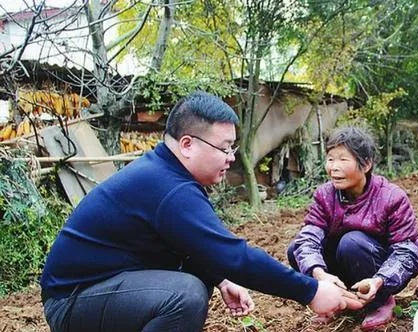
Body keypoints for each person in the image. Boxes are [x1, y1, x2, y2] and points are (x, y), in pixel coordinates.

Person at [40, 92, 361, 332]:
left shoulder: (165, 175)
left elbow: (194, 247)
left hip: (98, 290)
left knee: (194, 282)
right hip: (72, 302)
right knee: (185, 295)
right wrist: (311, 291)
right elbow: (235, 256)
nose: (230, 158)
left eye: (232, 148)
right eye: (224, 148)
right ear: (188, 145)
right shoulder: (169, 188)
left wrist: (219, 278)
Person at [287, 126, 418, 330]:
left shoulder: (391, 197)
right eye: (331, 159)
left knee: (351, 242)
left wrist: (379, 281)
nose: (333, 167)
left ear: (366, 164)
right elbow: (308, 238)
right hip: (340, 268)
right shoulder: (325, 195)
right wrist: (319, 274)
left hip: (378, 269)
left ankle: (381, 302)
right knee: (295, 249)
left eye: (343, 159)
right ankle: (336, 300)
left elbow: (408, 251)